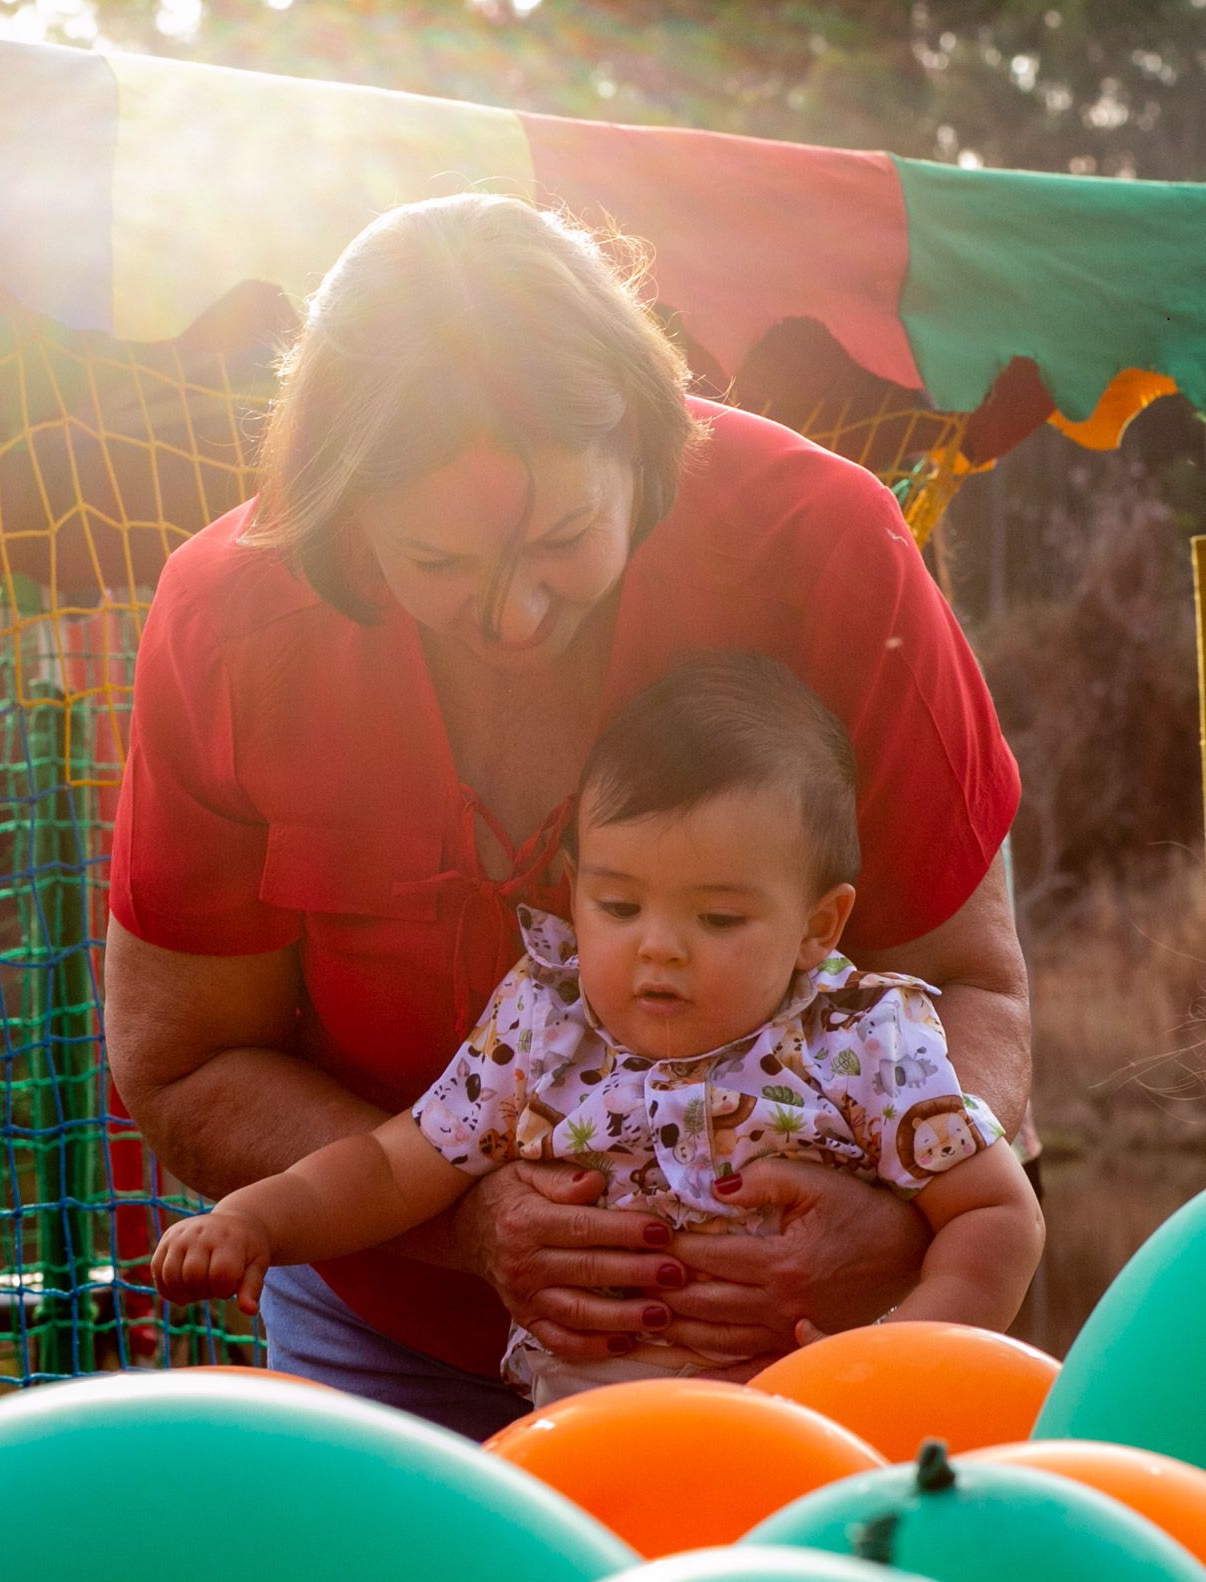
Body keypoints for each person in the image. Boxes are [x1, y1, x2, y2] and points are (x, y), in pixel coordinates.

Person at [105, 191, 1031, 1441]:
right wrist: (470, 1221)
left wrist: (897, 1240)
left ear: (645, 455)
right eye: (437, 564)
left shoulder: (819, 540)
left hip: (799, 1353)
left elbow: (968, 984)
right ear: (340, 515)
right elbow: (183, 1060)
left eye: (563, 538)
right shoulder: (227, 623)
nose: (515, 617)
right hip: (385, 1341)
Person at [151, 655, 1044, 1409]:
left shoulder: (862, 1044)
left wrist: (903, 1370)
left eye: (720, 919)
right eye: (618, 904)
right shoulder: (542, 1032)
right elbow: (391, 1167)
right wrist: (258, 1218)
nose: (659, 948)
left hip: (803, 1442)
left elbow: (996, 1212)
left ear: (818, 926)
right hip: (585, 1451)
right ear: (573, 890)